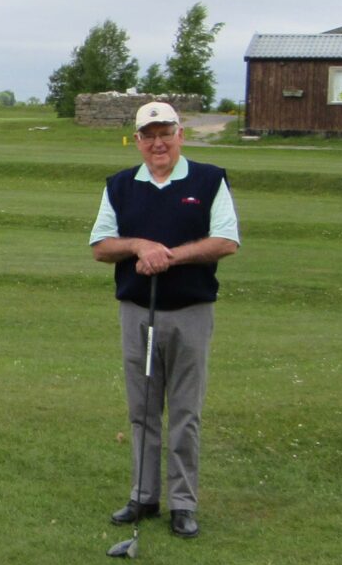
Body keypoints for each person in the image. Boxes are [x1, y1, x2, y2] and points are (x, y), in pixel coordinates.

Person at [90, 101, 240, 538]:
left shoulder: (209, 180)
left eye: (166, 133)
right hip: (138, 311)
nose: (158, 143)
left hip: (190, 313)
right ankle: (143, 496)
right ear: (137, 141)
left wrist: (167, 256)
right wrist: (139, 246)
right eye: (149, 135)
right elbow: (101, 246)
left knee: (185, 412)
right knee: (142, 409)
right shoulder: (120, 186)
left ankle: (183, 503)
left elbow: (226, 241)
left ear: (181, 135)